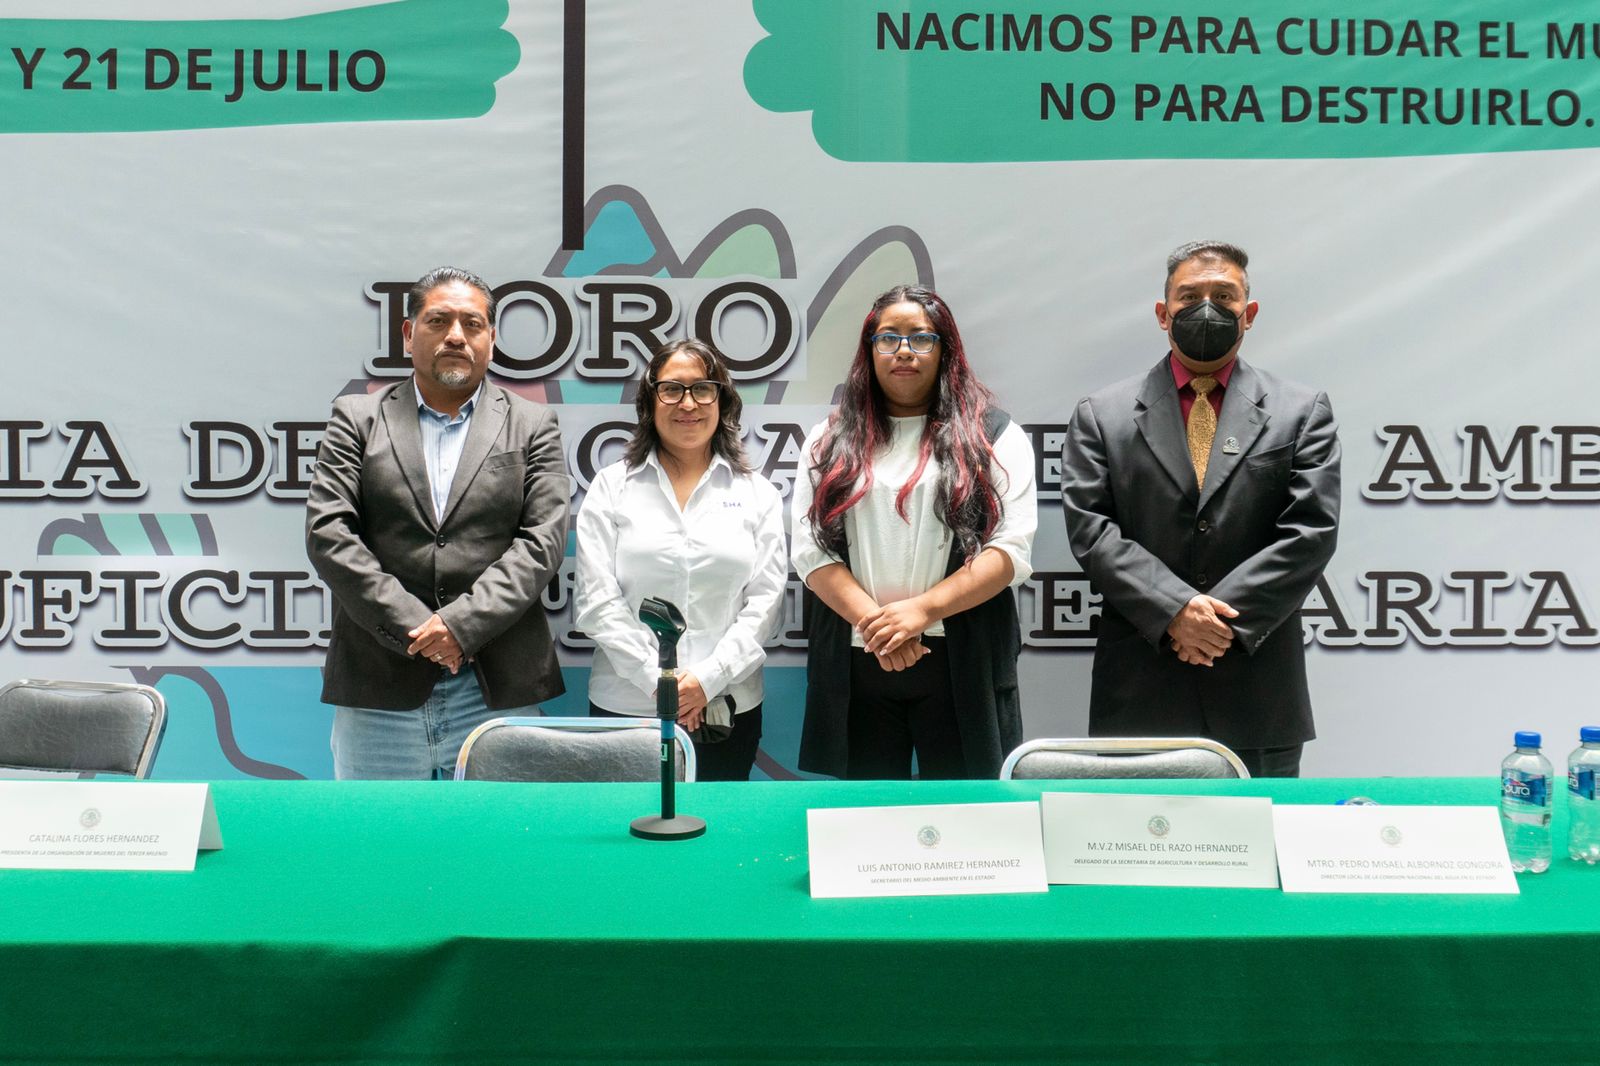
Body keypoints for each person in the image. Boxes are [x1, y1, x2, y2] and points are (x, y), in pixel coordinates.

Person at [1060, 241, 1341, 778]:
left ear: (1248, 313)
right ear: (1162, 313)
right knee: (1136, 832)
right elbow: (1092, 531)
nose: (1206, 308)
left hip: (1257, 689)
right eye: (1189, 296)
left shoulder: (1302, 411)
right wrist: (1175, 611)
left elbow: (1311, 532)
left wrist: (1216, 622)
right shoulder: (1102, 415)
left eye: (1224, 295)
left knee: (1258, 830)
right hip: (1141, 687)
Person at [306, 266, 569, 779]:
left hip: (494, 689)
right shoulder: (357, 418)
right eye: (438, 321)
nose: (455, 336)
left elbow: (542, 542)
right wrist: (419, 629)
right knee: (378, 830)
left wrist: (459, 626)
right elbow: (329, 533)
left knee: (498, 832)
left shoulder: (533, 423)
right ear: (409, 334)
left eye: (472, 324)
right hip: (379, 687)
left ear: (491, 338)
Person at [791, 285, 1036, 780]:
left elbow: (1010, 551)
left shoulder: (994, 435)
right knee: (866, 812)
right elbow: (811, 553)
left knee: (966, 809)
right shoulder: (829, 438)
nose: (904, 351)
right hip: (860, 655)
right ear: (869, 350)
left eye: (921, 338)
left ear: (946, 349)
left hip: (961, 654)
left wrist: (921, 612)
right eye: (889, 338)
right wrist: (880, 627)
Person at [574, 339, 786, 781]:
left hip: (726, 707)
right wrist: (660, 683)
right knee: (625, 823)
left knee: (719, 823)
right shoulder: (612, 487)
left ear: (722, 401)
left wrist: (708, 679)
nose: (688, 403)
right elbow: (596, 602)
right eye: (671, 389)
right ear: (649, 402)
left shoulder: (756, 493)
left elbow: (766, 604)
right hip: (628, 707)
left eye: (702, 389)